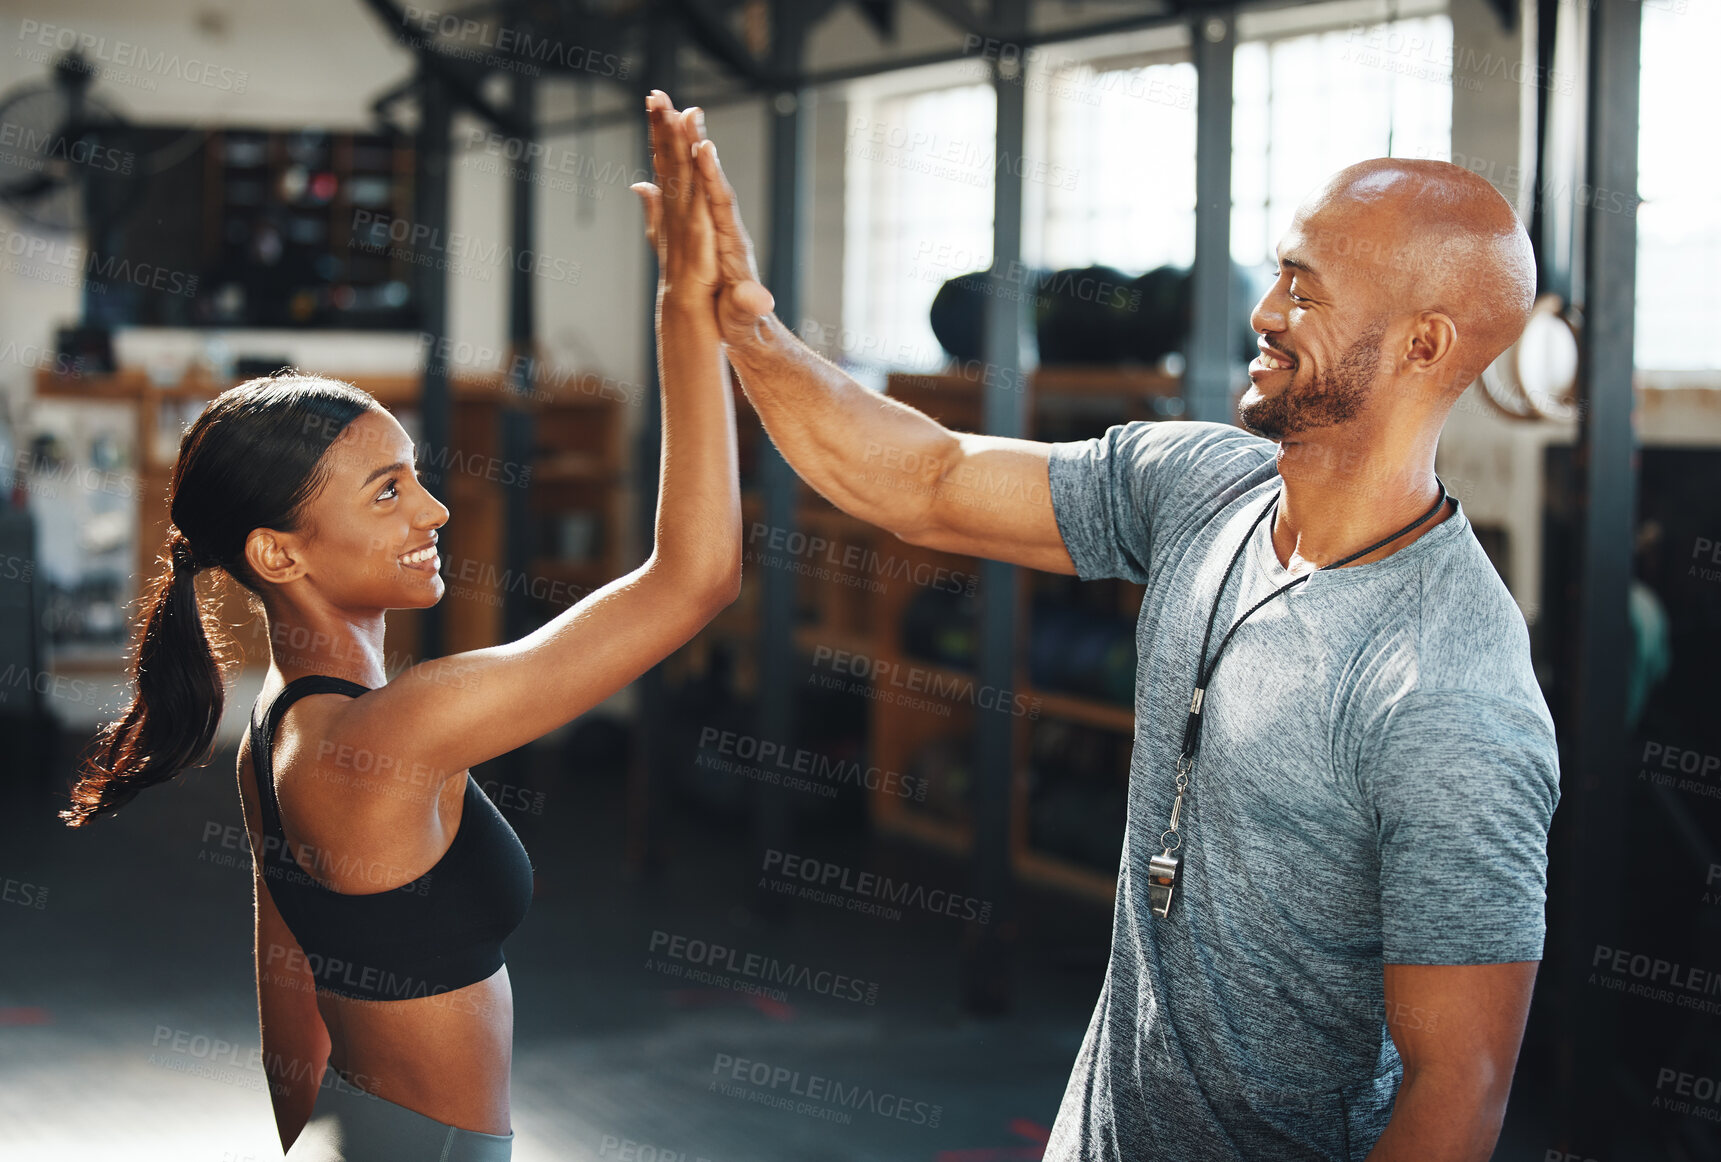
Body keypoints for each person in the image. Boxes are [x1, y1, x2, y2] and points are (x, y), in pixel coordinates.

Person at [678, 94, 1559, 1162]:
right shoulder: (1200, 488)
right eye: (1278, 272)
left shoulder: (1447, 690)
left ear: (1422, 343)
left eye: (1304, 289)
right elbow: (929, 481)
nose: (1264, 312)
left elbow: (1455, 1087)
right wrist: (744, 323)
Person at [60, 92, 739, 1160]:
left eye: (414, 477)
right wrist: (687, 311)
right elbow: (693, 580)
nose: (432, 511)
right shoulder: (393, 734)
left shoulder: (284, 726)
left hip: (368, 1136)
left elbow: (289, 978)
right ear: (278, 552)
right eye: (386, 493)